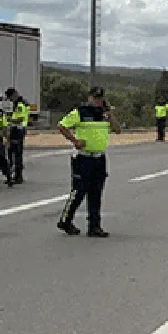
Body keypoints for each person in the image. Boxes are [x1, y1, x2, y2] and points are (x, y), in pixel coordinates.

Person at [56, 86, 121, 237]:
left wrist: (110, 115)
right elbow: (62, 126)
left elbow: (117, 130)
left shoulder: (104, 114)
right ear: (89, 97)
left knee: (96, 192)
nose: (97, 100)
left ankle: (94, 226)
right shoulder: (80, 111)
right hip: (83, 158)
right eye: (94, 97)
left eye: (99, 98)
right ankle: (66, 220)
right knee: (78, 191)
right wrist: (75, 141)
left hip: (99, 158)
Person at [4, 87, 30, 184]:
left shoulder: (20, 105)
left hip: (18, 130)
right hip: (18, 129)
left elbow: (20, 119)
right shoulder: (20, 103)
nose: (10, 100)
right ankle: (15, 175)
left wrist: (8, 120)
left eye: (10, 97)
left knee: (16, 153)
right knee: (13, 153)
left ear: (14, 95)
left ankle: (18, 176)